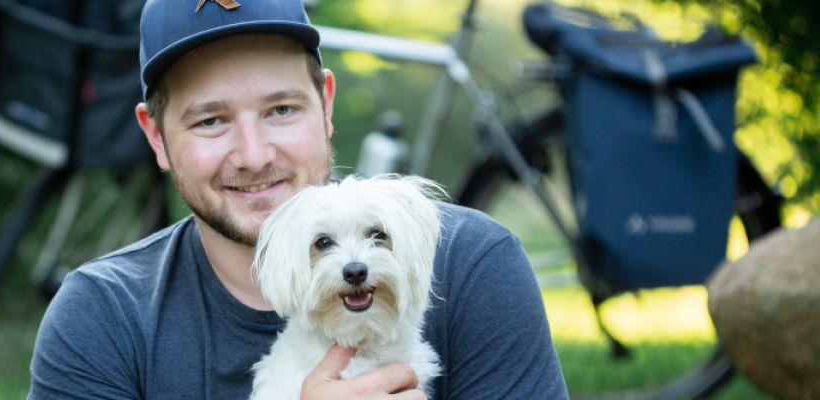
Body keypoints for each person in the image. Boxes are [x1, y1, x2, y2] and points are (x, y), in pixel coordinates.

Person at [28, 0, 569, 398]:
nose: (254, 154)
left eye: (281, 109)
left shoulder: (474, 266)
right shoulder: (103, 319)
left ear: (325, 103)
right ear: (156, 137)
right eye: (211, 120)